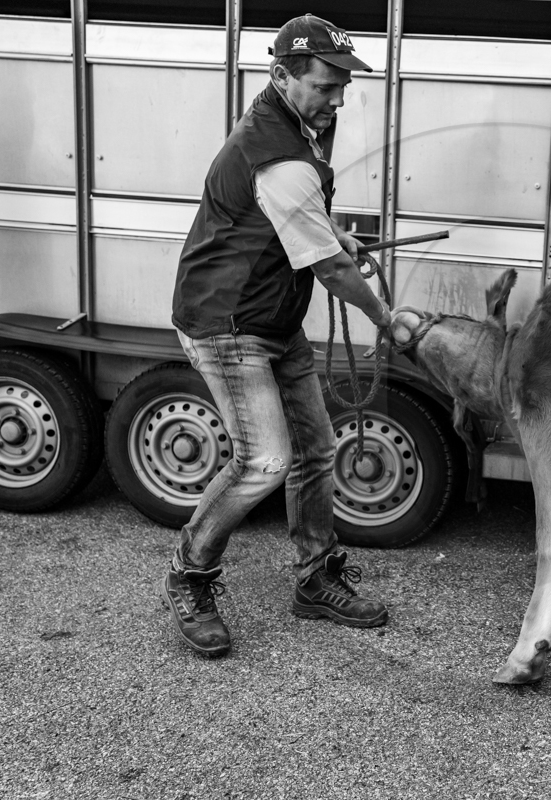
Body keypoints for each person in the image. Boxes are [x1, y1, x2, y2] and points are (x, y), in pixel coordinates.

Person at [163, 14, 391, 658]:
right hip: (228, 325)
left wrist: (333, 227)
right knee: (264, 460)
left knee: (316, 450)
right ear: (281, 75)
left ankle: (314, 580)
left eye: (344, 82)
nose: (339, 96)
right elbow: (328, 268)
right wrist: (383, 317)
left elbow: (303, 219)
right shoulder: (276, 151)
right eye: (326, 84)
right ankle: (189, 574)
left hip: (272, 318)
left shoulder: (304, 122)